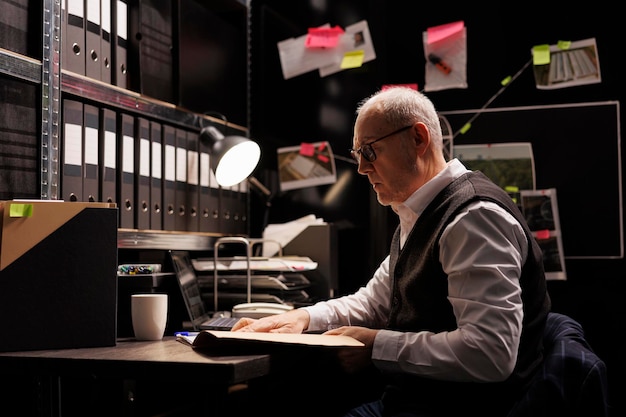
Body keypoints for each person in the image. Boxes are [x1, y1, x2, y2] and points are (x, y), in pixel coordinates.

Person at [233, 87, 552, 417]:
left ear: (417, 138)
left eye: (369, 151)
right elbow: (374, 301)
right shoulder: (419, 213)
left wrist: (376, 344)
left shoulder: (473, 218)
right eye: (357, 154)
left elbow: (489, 353)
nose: (360, 168)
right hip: (414, 402)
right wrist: (301, 317)